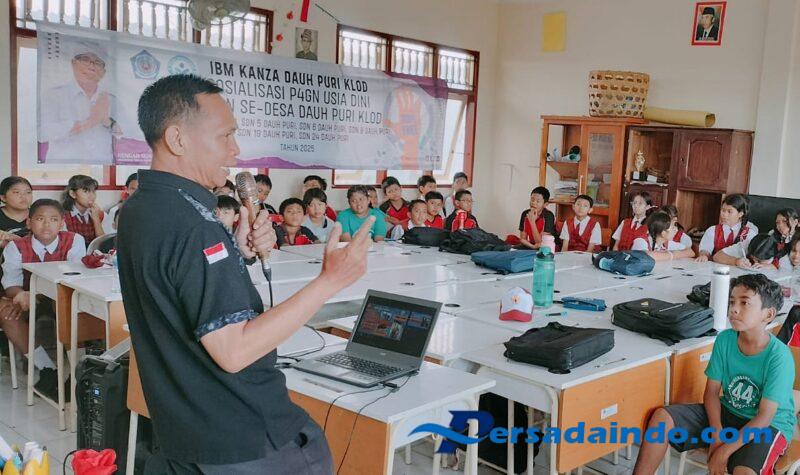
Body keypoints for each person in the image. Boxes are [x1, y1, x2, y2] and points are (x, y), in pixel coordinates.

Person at [118, 74, 374, 473]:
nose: (235, 150)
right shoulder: (194, 226)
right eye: (225, 135)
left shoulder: (141, 208)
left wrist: (236, 254)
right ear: (177, 139)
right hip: (242, 436)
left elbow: (175, 282)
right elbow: (233, 351)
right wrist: (330, 280)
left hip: (185, 431)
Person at [633, 273, 795, 475]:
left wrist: (724, 451)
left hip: (768, 426)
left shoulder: (779, 356)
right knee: (661, 418)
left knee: (744, 471)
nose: (734, 309)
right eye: (732, 302)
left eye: (744, 303)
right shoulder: (725, 339)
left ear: (768, 315)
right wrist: (717, 434)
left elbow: (765, 416)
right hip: (729, 412)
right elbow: (711, 392)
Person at [0, 199, 85, 399]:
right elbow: (11, 282)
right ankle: (48, 369)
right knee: (7, 313)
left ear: (62, 223)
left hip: (63, 295)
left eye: (53, 219)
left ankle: (77, 374)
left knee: (68, 308)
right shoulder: (16, 246)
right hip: (28, 297)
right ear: (29, 223)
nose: (47, 224)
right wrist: (19, 294)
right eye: (39, 219)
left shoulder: (74, 240)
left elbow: (76, 278)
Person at [39, 41, 124, 164]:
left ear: (103, 72)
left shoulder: (112, 100)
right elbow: (42, 133)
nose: (91, 67)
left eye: (97, 63)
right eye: (85, 60)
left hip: (102, 168)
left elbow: (126, 134)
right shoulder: (54, 95)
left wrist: (108, 122)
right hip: (64, 168)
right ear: (73, 63)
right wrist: (90, 122)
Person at [697, 194, 758, 262]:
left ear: (740, 214)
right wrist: (704, 255)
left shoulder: (749, 234)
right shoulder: (712, 230)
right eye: (723, 210)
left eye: (729, 212)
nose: (724, 215)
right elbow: (705, 249)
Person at [631, 211, 695, 260]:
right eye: (673, 228)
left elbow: (691, 252)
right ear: (663, 233)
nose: (676, 230)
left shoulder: (665, 243)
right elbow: (646, 257)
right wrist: (673, 254)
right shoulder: (641, 241)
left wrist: (672, 254)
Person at [61, 174, 104, 246]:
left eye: (93, 191)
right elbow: (64, 245)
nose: (92, 196)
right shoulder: (62, 216)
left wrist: (96, 219)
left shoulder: (100, 214)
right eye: (86, 191)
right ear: (72, 194)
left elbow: (103, 244)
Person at [713, 233, 780, 269]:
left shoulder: (780, 253)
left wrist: (770, 266)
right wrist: (735, 261)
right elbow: (717, 256)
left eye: (759, 261)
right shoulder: (746, 244)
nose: (755, 262)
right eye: (752, 258)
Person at [0, 176, 33, 248]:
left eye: (28, 192)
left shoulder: (38, 214)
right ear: (3, 197)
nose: (23, 196)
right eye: (17, 192)